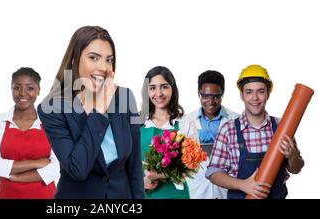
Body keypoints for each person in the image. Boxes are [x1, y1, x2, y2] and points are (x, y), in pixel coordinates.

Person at [37, 26, 144, 199]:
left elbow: (134, 168)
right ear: (75, 59)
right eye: (93, 58)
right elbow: (77, 169)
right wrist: (100, 110)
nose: (103, 67)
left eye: (109, 60)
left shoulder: (124, 97)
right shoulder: (52, 108)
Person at [206, 64, 305, 199]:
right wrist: (243, 185)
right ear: (241, 95)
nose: (255, 98)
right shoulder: (228, 130)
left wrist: (292, 156)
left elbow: (296, 169)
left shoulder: (283, 126)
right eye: (249, 92)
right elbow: (213, 173)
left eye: (260, 91)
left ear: (268, 94)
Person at [0, 67, 59, 199]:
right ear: (11, 89)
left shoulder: (50, 122)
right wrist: (36, 163)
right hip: (8, 195)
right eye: (17, 87)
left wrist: (18, 177)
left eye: (30, 88)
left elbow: (57, 167)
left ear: (38, 91)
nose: (22, 93)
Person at [179, 70, 238, 199]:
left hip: (226, 190)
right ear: (198, 94)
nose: (211, 102)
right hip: (197, 190)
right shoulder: (185, 121)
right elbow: (180, 160)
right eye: (205, 96)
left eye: (216, 96)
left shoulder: (236, 120)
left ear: (222, 94)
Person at [140, 66, 189, 199]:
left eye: (164, 86)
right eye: (152, 88)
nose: (159, 93)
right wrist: (140, 182)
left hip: (176, 195)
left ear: (173, 88)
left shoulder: (185, 122)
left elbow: (192, 165)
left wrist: (158, 175)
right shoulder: (136, 122)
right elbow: (126, 164)